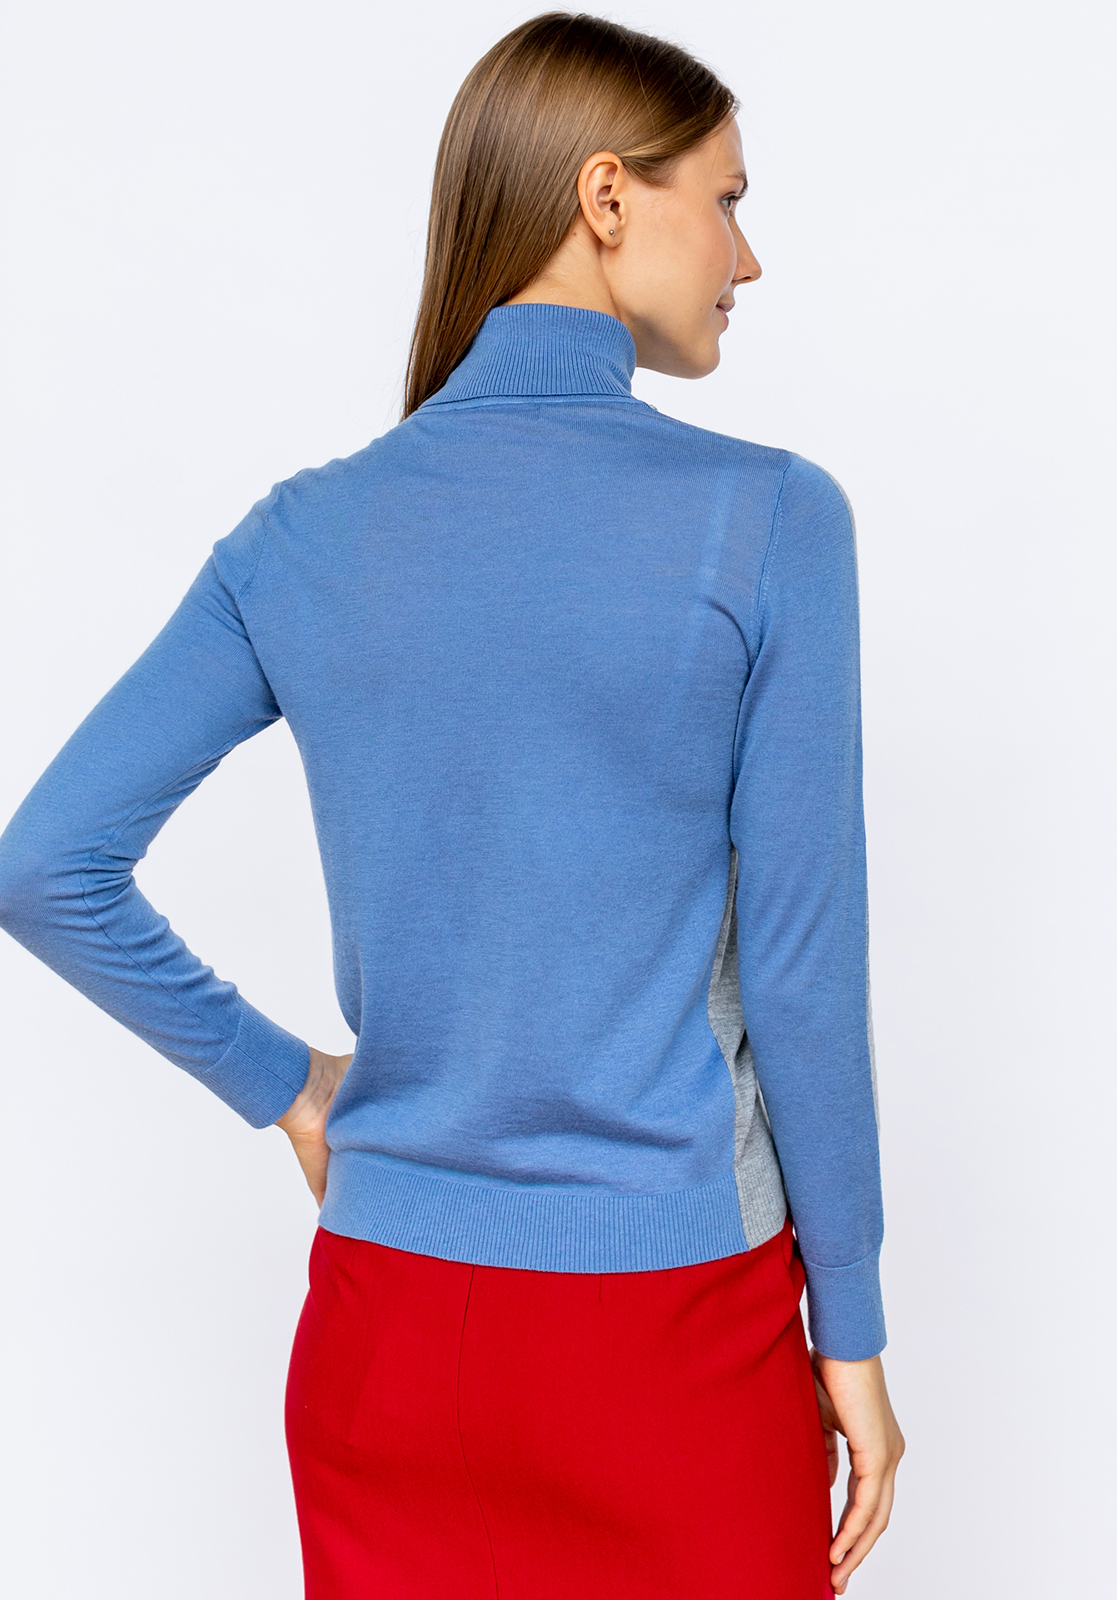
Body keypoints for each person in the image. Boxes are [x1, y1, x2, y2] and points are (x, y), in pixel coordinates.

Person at [0, 11, 903, 1598]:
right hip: (671, 1344)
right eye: (728, 200)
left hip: (386, 1338)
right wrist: (855, 1326)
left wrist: (290, 1088)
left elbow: (45, 864)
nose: (746, 258)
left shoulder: (304, 534)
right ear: (607, 197)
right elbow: (803, 977)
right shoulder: (768, 521)